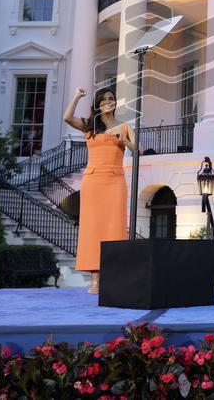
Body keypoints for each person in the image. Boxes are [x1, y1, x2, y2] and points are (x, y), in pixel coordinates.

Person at [63, 87, 134, 295]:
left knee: (115, 228)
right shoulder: (90, 126)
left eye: (111, 99)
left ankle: (113, 276)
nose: (108, 102)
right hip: (94, 181)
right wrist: (77, 95)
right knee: (93, 229)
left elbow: (137, 149)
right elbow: (67, 117)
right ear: (98, 104)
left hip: (115, 181)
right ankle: (95, 279)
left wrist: (123, 140)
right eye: (103, 99)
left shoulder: (124, 126)